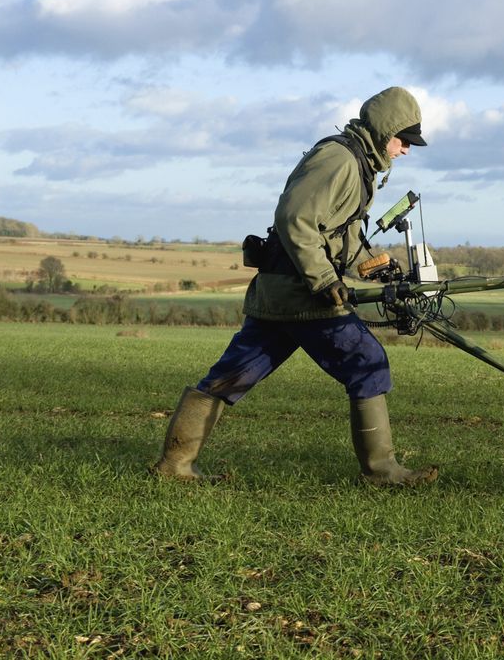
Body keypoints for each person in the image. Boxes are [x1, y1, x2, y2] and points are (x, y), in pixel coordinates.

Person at [152, 86, 437, 487]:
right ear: (384, 130)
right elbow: (294, 218)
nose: (406, 149)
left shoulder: (358, 163)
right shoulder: (339, 159)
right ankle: (381, 471)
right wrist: (324, 279)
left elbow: (339, 234)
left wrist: (373, 266)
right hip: (302, 293)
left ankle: (174, 465)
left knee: (231, 375)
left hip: (280, 291)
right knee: (367, 362)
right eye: (403, 140)